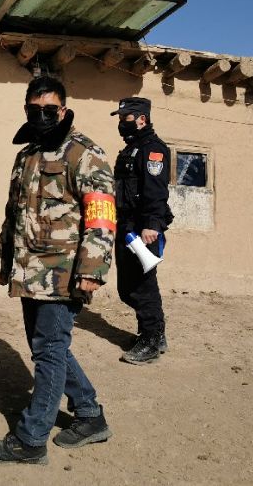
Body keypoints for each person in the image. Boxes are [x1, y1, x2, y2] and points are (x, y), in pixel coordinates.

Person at [0, 76, 116, 465]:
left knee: (50, 351)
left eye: (49, 109)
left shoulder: (84, 154)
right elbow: (14, 214)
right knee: (47, 347)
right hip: (29, 272)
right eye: (34, 109)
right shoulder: (26, 155)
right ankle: (90, 415)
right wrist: (3, 260)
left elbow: (101, 216)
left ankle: (31, 439)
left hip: (64, 272)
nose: (41, 116)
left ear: (63, 110)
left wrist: (92, 269)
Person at [110, 97, 174, 365]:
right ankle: (154, 331)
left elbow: (156, 190)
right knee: (127, 288)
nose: (121, 123)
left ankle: (151, 339)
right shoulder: (132, 149)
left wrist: (152, 224)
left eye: (125, 118)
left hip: (142, 228)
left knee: (142, 286)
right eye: (119, 118)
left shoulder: (152, 150)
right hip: (126, 225)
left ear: (141, 119)